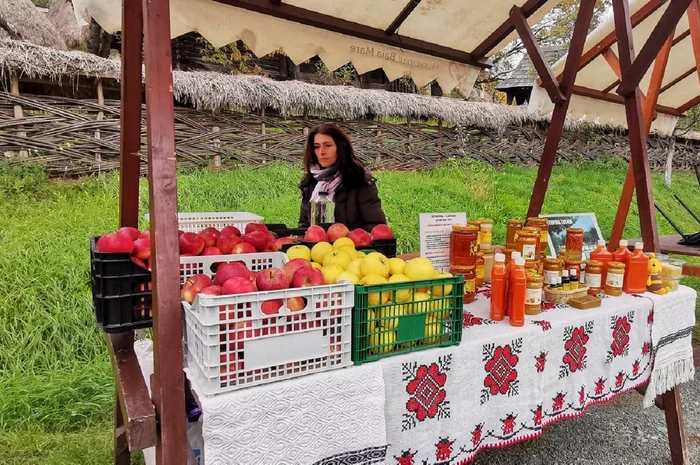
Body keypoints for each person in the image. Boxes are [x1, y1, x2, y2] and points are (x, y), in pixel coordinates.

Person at [298, 123, 387, 231]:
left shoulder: (358, 179)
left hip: (351, 246)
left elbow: (376, 226)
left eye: (328, 145)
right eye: (317, 147)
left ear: (341, 147)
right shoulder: (311, 182)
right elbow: (304, 227)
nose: (321, 152)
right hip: (316, 247)